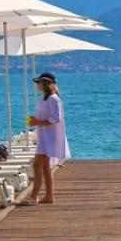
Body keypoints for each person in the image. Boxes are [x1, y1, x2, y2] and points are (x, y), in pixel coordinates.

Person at [24, 72, 70, 205]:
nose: (37, 85)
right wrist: (35, 120)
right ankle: (49, 196)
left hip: (50, 137)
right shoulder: (45, 99)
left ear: (45, 84)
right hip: (44, 136)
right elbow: (46, 117)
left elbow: (55, 118)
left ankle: (33, 197)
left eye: (39, 82)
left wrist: (37, 122)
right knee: (44, 167)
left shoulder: (54, 99)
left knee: (36, 165)